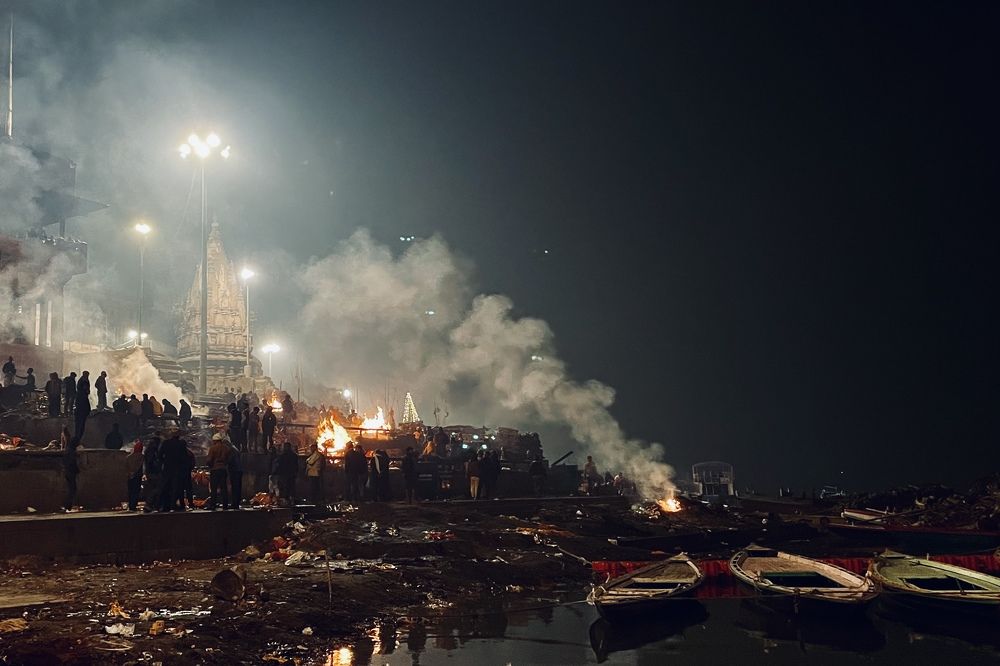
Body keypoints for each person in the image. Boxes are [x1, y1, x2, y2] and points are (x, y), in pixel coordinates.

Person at [158, 430, 188, 511]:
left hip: (167, 468)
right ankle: (172, 506)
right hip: (178, 469)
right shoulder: (181, 444)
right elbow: (185, 457)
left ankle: (162, 506)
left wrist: (164, 462)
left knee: (164, 486)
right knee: (176, 487)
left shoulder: (166, 443)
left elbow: (160, 455)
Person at [206, 433, 232, 510]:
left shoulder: (212, 448)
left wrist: (210, 465)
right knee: (224, 487)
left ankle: (213, 505)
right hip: (223, 470)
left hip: (214, 470)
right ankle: (225, 505)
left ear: (215, 440)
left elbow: (209, 460)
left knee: (213, 488)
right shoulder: (226, 448)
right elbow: (229, 460)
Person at [142, 436, 163, 512]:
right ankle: (149, 504)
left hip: (150, 472)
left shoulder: (148, 450)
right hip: (154, 472)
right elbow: (152, 462)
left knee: (152, 488)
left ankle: (151, 505)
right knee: (157, 488)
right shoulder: (153, 451)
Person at [63, 435, 80, 511]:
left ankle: (68, 505)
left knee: (71, 489)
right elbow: (72, 463)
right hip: (70, 472)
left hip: (68, 472)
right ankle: (68, 505)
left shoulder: (68, 450)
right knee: (72, 489)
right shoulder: (71, 452)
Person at [125, 441, 144, 511]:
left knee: (130, 491)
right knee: (136, 491)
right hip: (137, 476)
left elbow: (126, 467)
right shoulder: (142, 457)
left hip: (130, 476)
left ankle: (131, 505)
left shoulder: (128, 457)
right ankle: (133, 505)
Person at [74, 370, 91, 438]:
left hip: (82, 399)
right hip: (82, 399)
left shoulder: (84, 380)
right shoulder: (83, 381)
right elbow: (84, 389)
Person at [228, 437, 243, 509]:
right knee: (237, 487)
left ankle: (235, 503)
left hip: (235, 470)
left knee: (235, 487)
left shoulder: (231, 450)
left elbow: (230, 460)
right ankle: (236, 502)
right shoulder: (235, 449)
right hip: (238, 470)